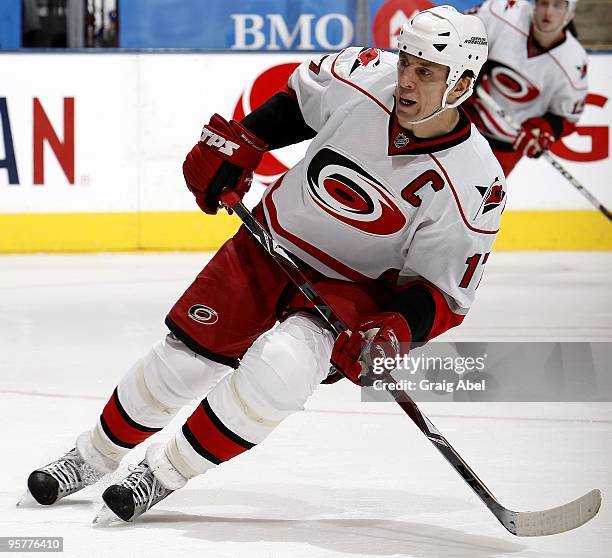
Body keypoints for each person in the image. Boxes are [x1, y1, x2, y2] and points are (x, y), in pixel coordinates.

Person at [24, 6, 506, 523]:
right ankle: (91, 455)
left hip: (352, 289)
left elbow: (443, 291)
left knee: (282, 369)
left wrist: (396, 328)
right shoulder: (366, 75)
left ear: (460, 84)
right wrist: (242, 144)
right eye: (406, 61)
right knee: (181, 363)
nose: (405, 80)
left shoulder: (474, 183)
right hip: (270, 241)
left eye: (425, 72)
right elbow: (300, 102)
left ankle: (164, 474)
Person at [463, 0, 588, 176]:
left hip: (505, 146)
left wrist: (542, 133)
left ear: (570, 13)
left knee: (478, 202)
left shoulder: (573, 62)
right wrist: (470, 68)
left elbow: (566, 118)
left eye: (558, 5)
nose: (548, 12)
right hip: (460, 120)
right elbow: (459, 32)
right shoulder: (504, 12)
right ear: (534, 5)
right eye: (544, 3)